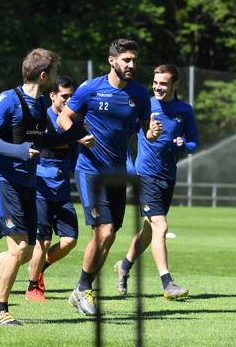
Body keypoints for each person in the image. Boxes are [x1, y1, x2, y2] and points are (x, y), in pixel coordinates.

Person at [0, 49, 86, 326]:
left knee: (29, 251)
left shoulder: (40, 105)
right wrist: (18, 151)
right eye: (53, 74)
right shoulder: (8, 100)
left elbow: (45, 142)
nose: (55, 79)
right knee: (19, 248)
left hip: (28, 184)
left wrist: (76, 135)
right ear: (43, 75)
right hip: (5, 180)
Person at [57, 38, 162, 316]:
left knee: (110, 235)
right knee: (102, 232)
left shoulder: (139, 94)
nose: (131, 65)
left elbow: (144, 128)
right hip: (90, 170)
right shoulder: (91, 88)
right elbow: (63, 119)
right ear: (112, 61)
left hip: (117, 173)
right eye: (126, 60)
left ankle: (81, 289)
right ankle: (83, 289)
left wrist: (150, 133)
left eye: (134, 60)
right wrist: (79, 135)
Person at [114, 64, 198, 300]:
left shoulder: (184, 110)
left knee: (150, 231)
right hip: (145, 175)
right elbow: (124, 136)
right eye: (155, 82)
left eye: (163, 83)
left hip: (167, 177)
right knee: (161, 226)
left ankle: (124, 266)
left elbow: (193, 143)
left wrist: (182, 144)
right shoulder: (145, 105)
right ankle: (167, 283)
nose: (158, 87)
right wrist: (130, 167)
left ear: (175, 85)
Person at [25, 75, 90, 302]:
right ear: (52, 95)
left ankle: (39, 267)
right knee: (42, 239)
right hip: (39, 189)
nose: (69, 100)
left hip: (61, 191)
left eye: (72, 96)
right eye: (64, 96)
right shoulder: (40, 119)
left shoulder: (74, 122)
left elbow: (75, 159)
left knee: (69, 240)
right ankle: (33, 287)